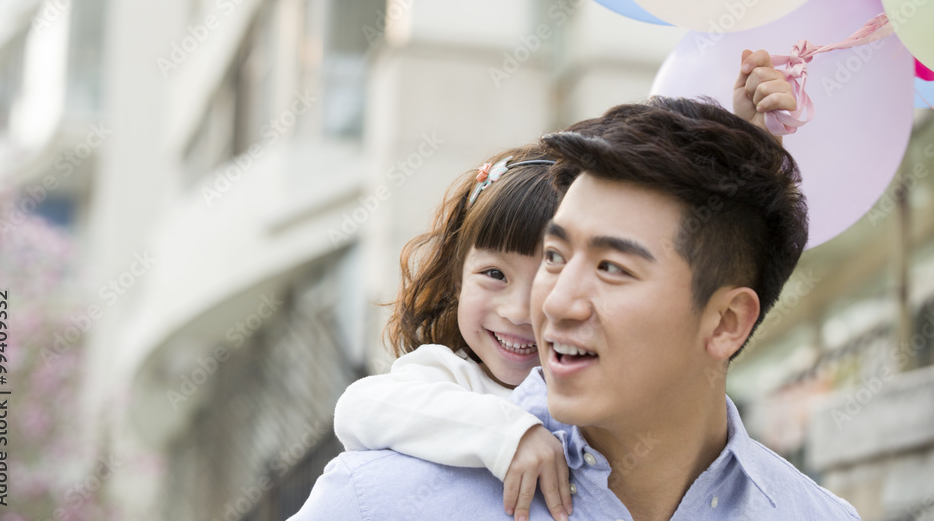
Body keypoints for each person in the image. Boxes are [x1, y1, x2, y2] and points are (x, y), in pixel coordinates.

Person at [289, 51, 858, 520]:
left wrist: (749, 167)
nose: (550, 302)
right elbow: (366, 405)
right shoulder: (378, 501)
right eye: (558, 256)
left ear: (727, 321)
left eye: (612, 267)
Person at [333, 142, 575, 521]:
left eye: (550, 279)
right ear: (457, 281)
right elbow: (358, 407)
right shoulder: (449, 376)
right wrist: (508, 434)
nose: (517, 312)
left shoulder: (595, 390)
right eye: (494, 274)